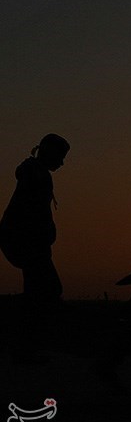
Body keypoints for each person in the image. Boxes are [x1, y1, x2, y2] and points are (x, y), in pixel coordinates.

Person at [0, 133, 70, 363]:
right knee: (47, 290)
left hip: (28, 242)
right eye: (60, 157)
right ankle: (24, 345)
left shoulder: (35, 173)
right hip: (27, 242)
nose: (62, 163)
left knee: (40, 290)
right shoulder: (35, 174)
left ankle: (25, 345)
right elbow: (32, 212)